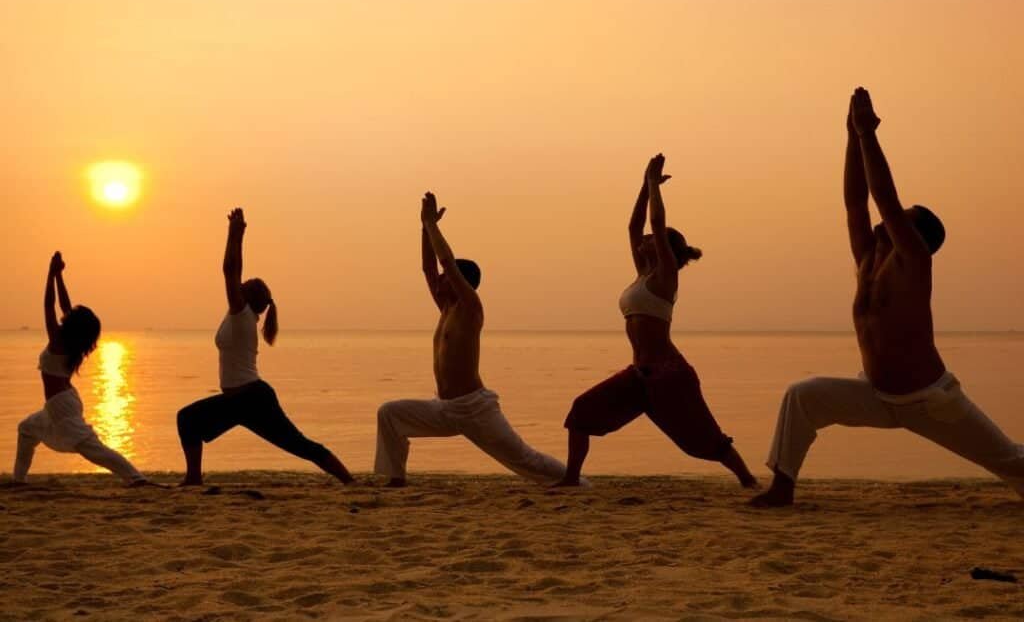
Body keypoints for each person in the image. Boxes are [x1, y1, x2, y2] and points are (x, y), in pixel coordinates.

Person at [752, 87, 1024, 507]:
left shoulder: (913, 261)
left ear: (914, 237)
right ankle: (782, 488)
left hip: (930, 401)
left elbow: (884, 200)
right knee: (802, 396)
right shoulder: (867, 261)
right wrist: (849, 135)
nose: (884, 225)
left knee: (1010, 460)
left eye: (900, 222)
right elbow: (854, 203)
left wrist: (867, 135)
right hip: (876, 395)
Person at [554, 155, 757, 488]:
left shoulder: (665, 276)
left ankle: (747, 479)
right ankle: (571, 478)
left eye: (651, 239)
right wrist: (643, 186)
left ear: (665, 250)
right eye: (645, 239)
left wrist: (653, 185)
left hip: (669, 375)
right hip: (638, 375)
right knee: (581, 412)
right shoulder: (641, 274)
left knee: (704, 440)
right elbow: (633, 227)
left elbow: (658, 226)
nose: (644, 239)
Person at [374, 193, 569, 487]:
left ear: (458, 282)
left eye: (445, 278)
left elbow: (447, 263)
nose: (438, 281)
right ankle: (395, 479)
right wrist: (423, 228)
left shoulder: (469, 307)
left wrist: (432, 225)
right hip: (445, 408)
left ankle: (574, 481)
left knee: (526, 459)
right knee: (390, 413)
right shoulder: (446, 309)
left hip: (474, 409)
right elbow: (429, 268)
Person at [176, 208, 354, 486]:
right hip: (241, 401)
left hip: (251, 400)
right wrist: (237, 235)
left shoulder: (241, 315)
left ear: (246, 297)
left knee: (299, 444)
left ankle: (349, 480)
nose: (238, 286)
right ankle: (193, 478)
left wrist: (235, 234)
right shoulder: (241, 317)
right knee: (189, 420)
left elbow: (230, 270)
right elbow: (234, 274)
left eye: (242, 286)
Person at [13, 252, 149, 486]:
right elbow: (65, 307)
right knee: (27, 430)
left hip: (62, 405)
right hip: (59, 403)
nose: (69, 313)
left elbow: (49, 306)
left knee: (91, 447)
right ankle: (18, 481)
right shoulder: (71, 343)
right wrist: (58, 275)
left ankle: (135, 477)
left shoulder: (59, 341)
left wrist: (49, 272)